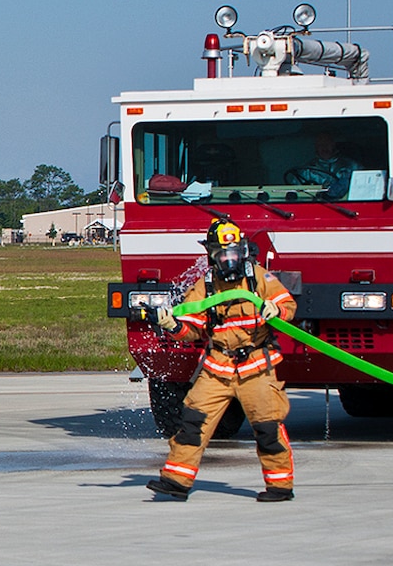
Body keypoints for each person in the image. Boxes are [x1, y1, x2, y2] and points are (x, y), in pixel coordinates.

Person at [145, 219, 299, 502]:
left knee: (267, 426)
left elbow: (288, 305)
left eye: (234, 253)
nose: (230, 260)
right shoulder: (205, 286)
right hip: (218, 368)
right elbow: (192, 329)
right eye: (223, 254)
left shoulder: (259, 278)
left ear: (243, 252)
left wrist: (275, 308)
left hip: (257, 367)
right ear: (212, 255)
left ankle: (280, 486)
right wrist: (171, 325)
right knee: (192, 422)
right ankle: (176, 480)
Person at [283, 131, 356, 198]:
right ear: (316, 147)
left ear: (333, 144)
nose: (324, 147)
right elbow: (294, 192)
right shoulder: (306, 170)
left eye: (327, 144)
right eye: (320, 145)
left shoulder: (351, 165)